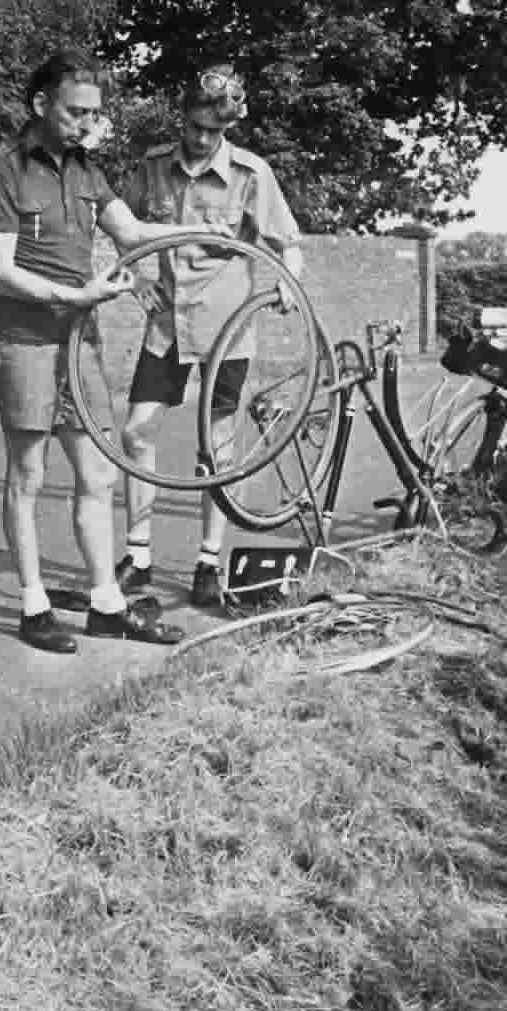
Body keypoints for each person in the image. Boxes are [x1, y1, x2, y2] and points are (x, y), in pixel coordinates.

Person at [0, 51, 191, 655]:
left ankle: (104, 603)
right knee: (29, 474)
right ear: (41, 104)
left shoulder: (88, 171)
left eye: (95, 113)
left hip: (78, 341)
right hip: (22, 341)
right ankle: (34, 605)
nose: (86, 124)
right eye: (76, 112)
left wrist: (207, 236)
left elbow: (130, 233)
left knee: (97, 471)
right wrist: (78, 292)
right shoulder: (3, 170)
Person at [117, 64, 305, 608]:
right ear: (183, 118)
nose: (201, 139)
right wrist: (135, 280)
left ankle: (207, 562)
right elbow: (118, 227)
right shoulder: (153, 168)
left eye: (213, 131)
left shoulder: (251, 173)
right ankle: (139, 556)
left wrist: (288, 278)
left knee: (218, 448)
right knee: (136, 434)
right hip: (166, 326)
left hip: (229, 329)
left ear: (227, 127)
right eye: (194, 126)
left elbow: (287, 240)